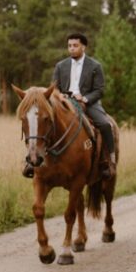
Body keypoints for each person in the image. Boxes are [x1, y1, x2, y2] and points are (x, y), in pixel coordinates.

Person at [52, 32, 116, 178]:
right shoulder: (61, 66)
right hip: (64, 102)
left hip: (88, 102)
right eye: (69, 46)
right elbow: (54, 87)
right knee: (45, 122)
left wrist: (85, 98)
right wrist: (59, 95)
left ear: (83, 47)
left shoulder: (95, 66)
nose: (72, 49)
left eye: (75, 45)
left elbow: (100, 90)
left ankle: (108, 159)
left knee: (105, 124)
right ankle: (34, 161)